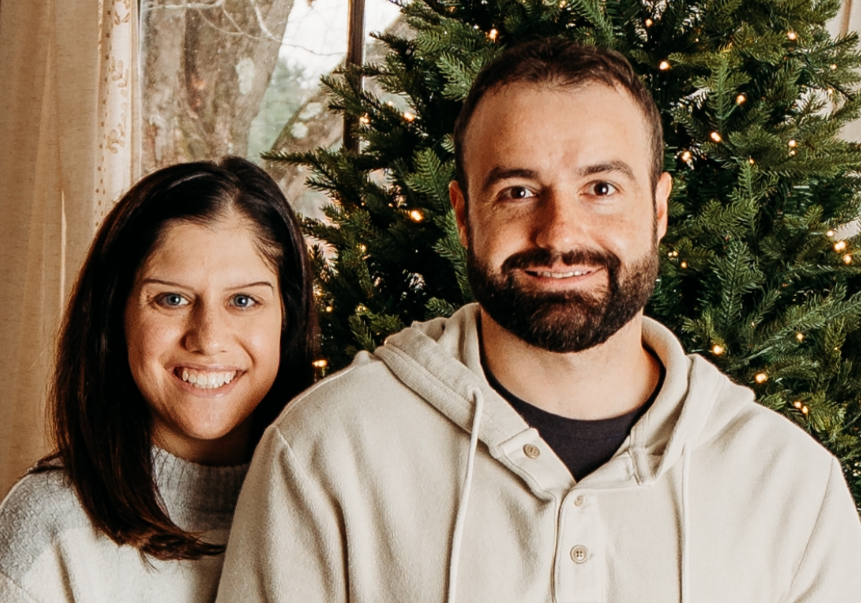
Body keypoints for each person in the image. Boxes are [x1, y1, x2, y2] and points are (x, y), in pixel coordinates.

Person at [216, 39, 861, 602]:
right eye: (518, 191)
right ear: (463, 213)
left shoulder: (791, 487)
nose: (559, 233)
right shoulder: (325, 451)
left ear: (659, 210)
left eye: (601, 188)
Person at [0, 156, 317, 602]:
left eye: (243, 301)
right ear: (116, 315)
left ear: (288, 317)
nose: (208, 339)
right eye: (171, 298)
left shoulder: (330, 508)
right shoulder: (48, 527)